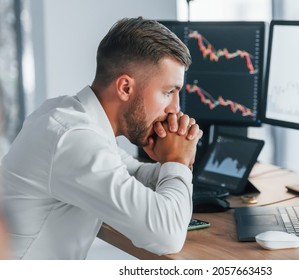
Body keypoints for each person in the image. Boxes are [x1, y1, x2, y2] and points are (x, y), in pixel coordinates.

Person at [0, 17, 203, 259]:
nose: (175, 109)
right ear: (125, 88)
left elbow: (133, 175)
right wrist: (177, 163)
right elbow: (167, 236)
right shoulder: (72, 138)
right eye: (168, 92)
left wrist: (174, 157)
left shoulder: (70, 116)